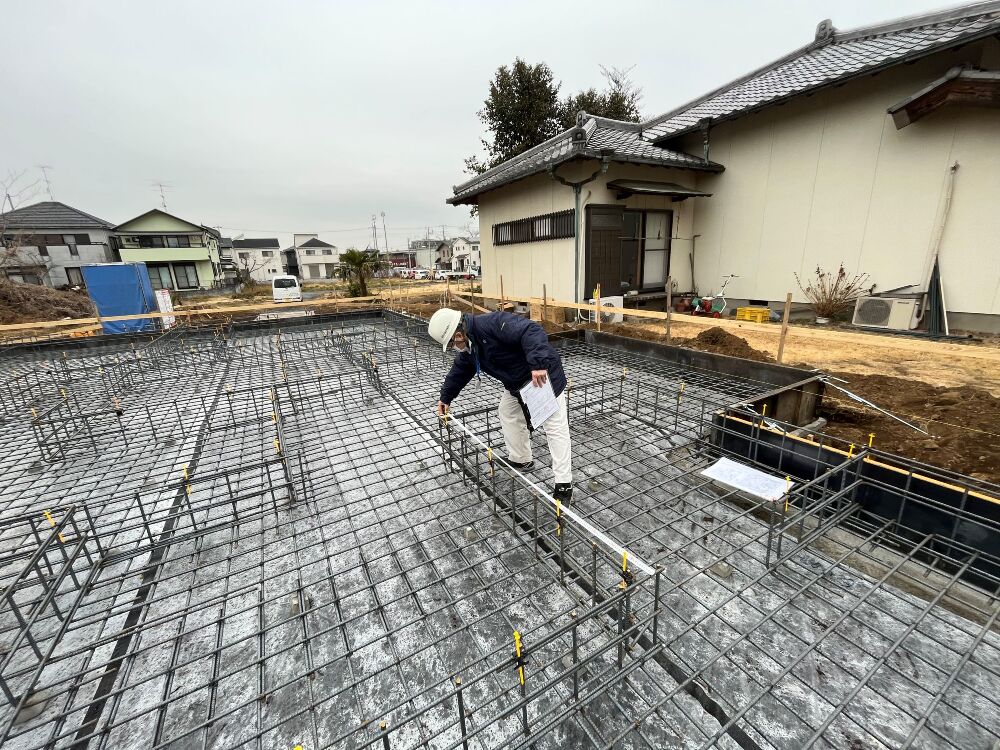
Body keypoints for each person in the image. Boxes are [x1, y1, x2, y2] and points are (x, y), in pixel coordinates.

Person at [428, 308, 572, 501]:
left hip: (540, 377)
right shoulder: (472, 346)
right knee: (508, 411)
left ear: (459, 334)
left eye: (453, 343)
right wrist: (445, 397)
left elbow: (531, 330)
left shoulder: (493, 323)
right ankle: (521, 460)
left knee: (554, 426)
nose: (454, 347)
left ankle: (564, 484)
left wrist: (538, 364)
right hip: (517, 384)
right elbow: (461, 368)